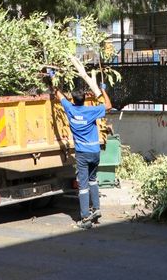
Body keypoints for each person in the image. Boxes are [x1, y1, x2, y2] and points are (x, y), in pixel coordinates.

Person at [54, 84, 112, 230]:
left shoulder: (70, 109)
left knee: (83, 186)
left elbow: (58, 95)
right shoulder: (91, 111)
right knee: (93, 180)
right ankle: (96, 209)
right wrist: (103, 90)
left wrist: (52, 80)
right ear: (85, 99)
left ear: (73, 99)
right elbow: (109, 106)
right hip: (95, 152)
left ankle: (85, 218)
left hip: (82, 154)